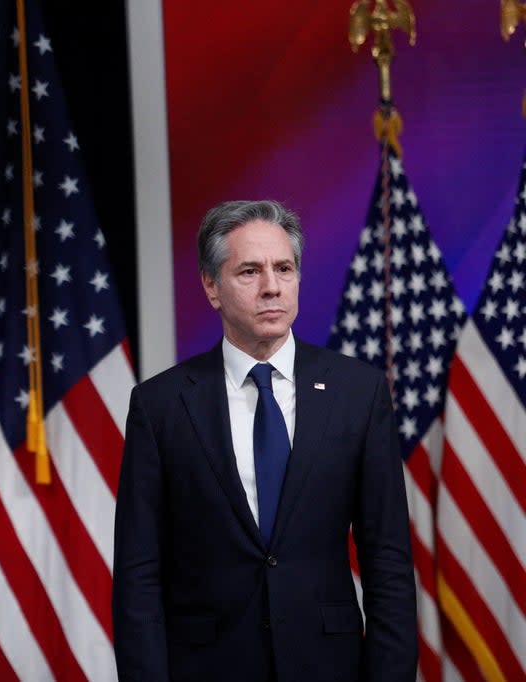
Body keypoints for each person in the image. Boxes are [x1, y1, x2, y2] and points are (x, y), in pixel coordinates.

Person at [112, 200, 417, 682]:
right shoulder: (160, 406)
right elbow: (138, 574)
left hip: (329, 668)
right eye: (249, 271)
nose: (272, 286)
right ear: (211, 286)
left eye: (284, 268)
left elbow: (389, 563)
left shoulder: (358, 393)